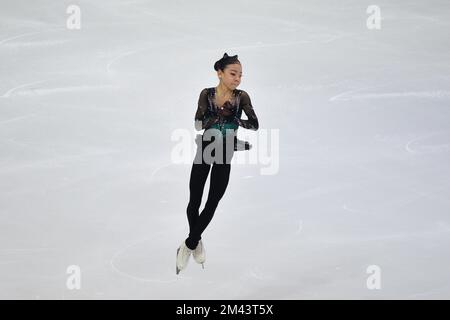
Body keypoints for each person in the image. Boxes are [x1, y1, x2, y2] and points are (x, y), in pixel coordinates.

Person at [176, 53, 259, 274]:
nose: (238, 78)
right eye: (233, 74)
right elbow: (197, 124)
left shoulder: (242, 97)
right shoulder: (207, 94)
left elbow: (254, 124)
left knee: (212, 202)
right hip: (205, 150)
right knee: (194, 200)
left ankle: (189, 244)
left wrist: (234, 119)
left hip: (225, 153)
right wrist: (217, 118)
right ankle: (196, 239)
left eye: (240, 75)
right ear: (219, 73)